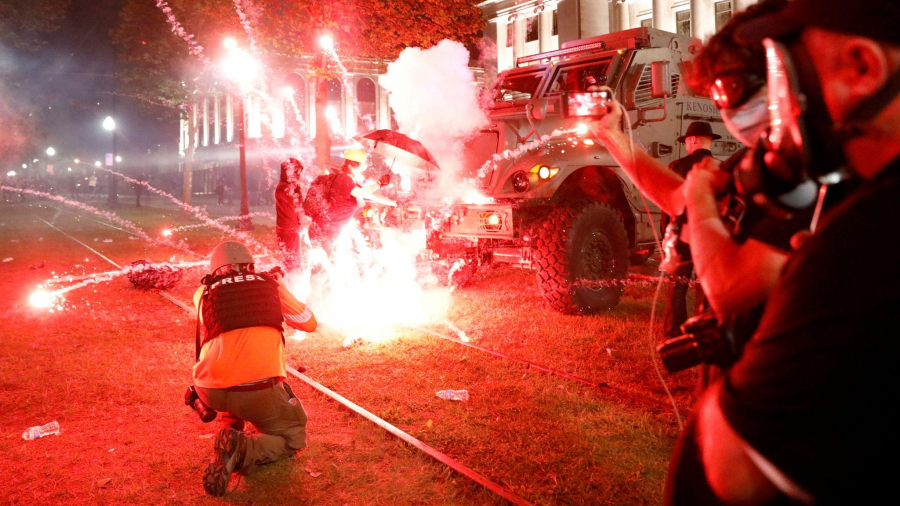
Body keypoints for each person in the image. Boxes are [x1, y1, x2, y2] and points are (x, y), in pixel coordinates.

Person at [676, 0, 900, 503]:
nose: (776, 106)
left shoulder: (863, 241)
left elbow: (737, 469)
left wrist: (807, 285)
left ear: (862, 67)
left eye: (779, 68)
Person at [191, 241, 317, 496]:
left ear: (215, 269)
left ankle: (231, 430)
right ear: (251, 264)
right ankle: (243, 451)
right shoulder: (269, 284)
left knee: (231, 376)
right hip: (256, 387)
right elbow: (308, 323)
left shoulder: (202, 292)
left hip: (208, 388)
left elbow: (228, 319)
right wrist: (278, 286)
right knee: (291, 439)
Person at [662, 121, 718, 336]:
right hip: (709, 237)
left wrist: (667, 236)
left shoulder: (678, 166)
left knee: (677, 285)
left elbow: (668, 205)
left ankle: (674, 330)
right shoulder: (720, 168)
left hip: (683, 236)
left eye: (686, 140)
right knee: (706, 287)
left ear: (692, 140)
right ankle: (704, 330)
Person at [303, 148, 365, 252]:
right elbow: (361, 198)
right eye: (362, 166)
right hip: (326, 232)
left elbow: (361, 203)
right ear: (353, 166)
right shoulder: (346, 181)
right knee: (323, 265)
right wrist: (379, 184)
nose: (364, 169)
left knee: (323, 264)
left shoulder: (344, 181)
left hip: (322, 229)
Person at [275, 158, 304, 271]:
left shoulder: (285, 186)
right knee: (293, 264)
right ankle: (292, 286)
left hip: (289, 228)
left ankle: (291, 284)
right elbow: (298, 204)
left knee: (292, 262)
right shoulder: (285, 188)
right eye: (297, 173)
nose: (298, 176)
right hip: (288, 230)